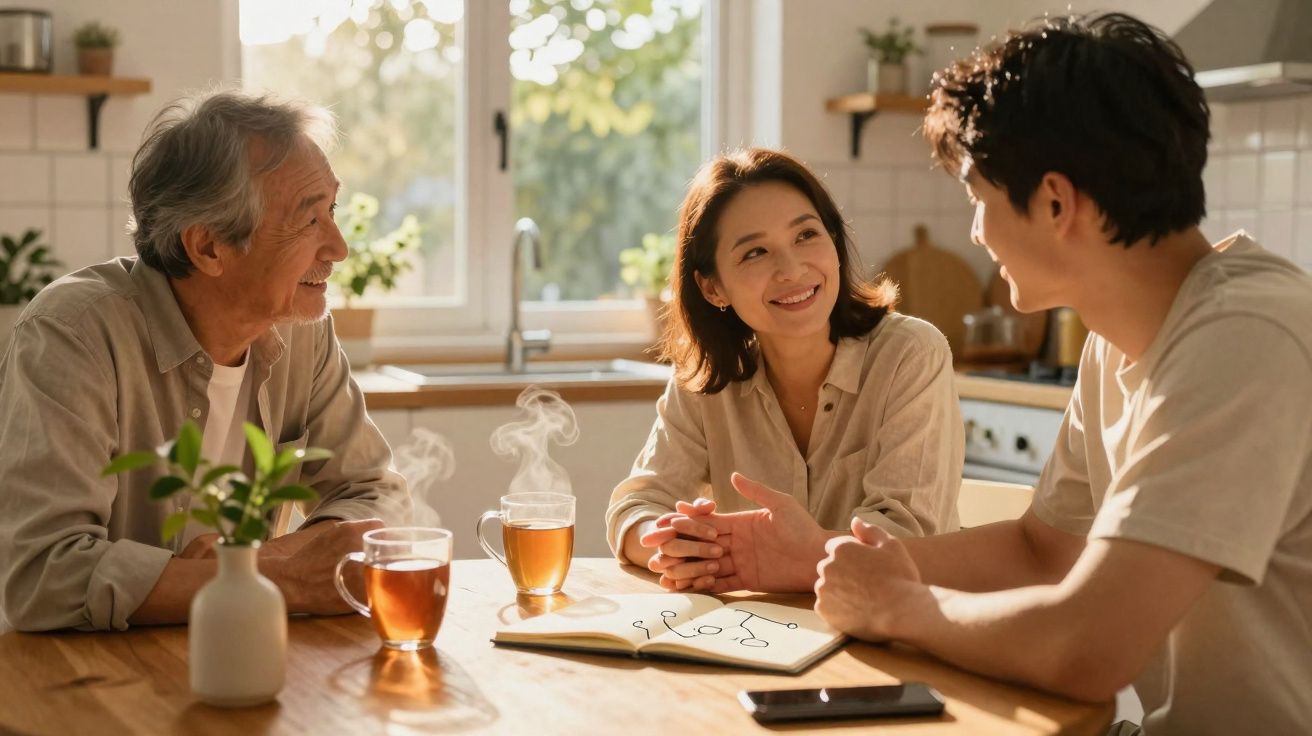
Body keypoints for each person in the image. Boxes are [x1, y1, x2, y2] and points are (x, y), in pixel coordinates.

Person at [812, 13, 1312, 735]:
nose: (978, 233)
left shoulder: (1244, 338)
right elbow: (1041, 550)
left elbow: (1089, 649)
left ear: (1055, 202)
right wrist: (852, 568)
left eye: (979, 200)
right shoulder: (1121, 336)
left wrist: (898, 606)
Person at [0, 91, 412, 632]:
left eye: (331, 210)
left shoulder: (301, 331)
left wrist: (257, 566)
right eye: (309, 220)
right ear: (209, 247)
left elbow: (373, 493)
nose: (339, 247)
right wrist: (283, 580)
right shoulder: (72, 333)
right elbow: (45, 576)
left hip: (237, 652)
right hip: (81, 681)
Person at [606, 148, 962, 593]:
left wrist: (795, 556)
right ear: (713, 286)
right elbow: (637, 504)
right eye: (755, 252)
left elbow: (909, 536)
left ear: (833, 242)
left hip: (897, 630)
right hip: (763, 638)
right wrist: (672, 545)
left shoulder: (910, 355)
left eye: (806, 235)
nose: (792, 269)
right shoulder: (706, 380)